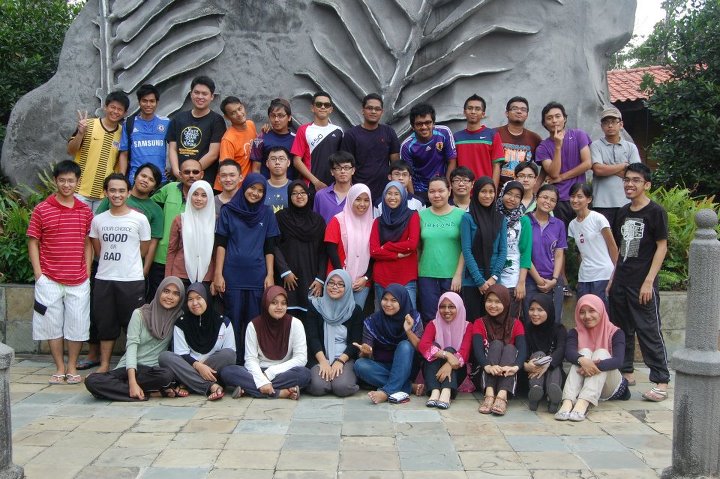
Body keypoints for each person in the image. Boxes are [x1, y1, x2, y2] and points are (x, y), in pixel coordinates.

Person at [27, 160, 93, 385]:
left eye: (71, 181)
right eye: (62, 180)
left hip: (78, 278)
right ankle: (59, 367)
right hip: (49, 277)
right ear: (55, 181)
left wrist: (87, 270)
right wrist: (39, 274)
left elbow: (88, 242)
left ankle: (72, 366)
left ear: (77, 182)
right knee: (51, 323)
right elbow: (33, 241)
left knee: (78, 324)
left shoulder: (85, 211)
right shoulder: (42, 209)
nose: (66, 185)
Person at [608, 163, 670, 402]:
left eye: (635, 180)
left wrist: (649, 281)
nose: (629, 184)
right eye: (626, 180)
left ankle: (661, 380)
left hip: (642, 282)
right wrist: (613, 278)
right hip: (621, 281)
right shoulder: (622, 212)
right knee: (621, 329)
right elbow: (621, 249)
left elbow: (662, 247)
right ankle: (626, 373)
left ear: (647, 185)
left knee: (648, 329)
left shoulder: (656, 212)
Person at [84, 277, 187, 401]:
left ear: (181, 298)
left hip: (152, 373)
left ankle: (117, 391)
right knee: (91, 381)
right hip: (128, 368)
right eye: (166, 291)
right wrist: (132, 382)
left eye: (176, 294)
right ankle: (148, 393)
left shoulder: (179, 318)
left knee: (167, 376)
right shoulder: (140, 314)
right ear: (159, 291)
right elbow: (131, 348)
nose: (170, 297)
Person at [214, 173, 280, 363]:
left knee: (254, 322)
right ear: (244, 188)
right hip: (232, 275)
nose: (255, 193)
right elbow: (221, 244)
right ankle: (233, 364)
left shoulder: (267, 212)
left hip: (257, 276)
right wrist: (218, 274)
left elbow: (269, 247)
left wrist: (270, 274)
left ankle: (251, 363)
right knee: (232, 320)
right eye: (252, 188)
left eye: (260, 191)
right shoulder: (228, 210)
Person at [89, 174, 151, 373]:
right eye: (113, 190)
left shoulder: (139, 219)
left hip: (131, 279)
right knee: (105, 323)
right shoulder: (98, 220)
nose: (117, 195)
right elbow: (98, 250)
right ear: (105, 193)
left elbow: (143, 249)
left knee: (133, 325)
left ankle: (131, 365)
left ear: (129, 192)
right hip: (104, 279)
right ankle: (105, 364)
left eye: (122, 190)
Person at [220, 286, 311, 399]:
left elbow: (301, 358)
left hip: (283, 371)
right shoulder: (253, 325)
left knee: (304, 374)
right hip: (258, 370)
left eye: (283, 303)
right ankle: (279, 393)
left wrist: (270, 373)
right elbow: (250, 359)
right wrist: (261, 378)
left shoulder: (296, 324)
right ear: (266, 303)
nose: (279, 307)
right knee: (227, 372)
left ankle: (249, 389)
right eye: (274, 303)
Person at [555, 294, 629, 422]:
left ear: (600, 311)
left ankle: (583, 403)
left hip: (609, 385)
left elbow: (618, 361)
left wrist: (590, 365)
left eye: (592, 311)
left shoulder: (616, 332)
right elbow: (569, 353)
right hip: (584, 382)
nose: (587, 316)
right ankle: (567, 401)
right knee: (583, 353)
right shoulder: (575, 332)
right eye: (582, 312)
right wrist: (583, 361)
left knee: (601, 352)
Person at [158, 283, 235, 400]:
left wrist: (202, 366)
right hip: (189, 364)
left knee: (229, 354)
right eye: (190, 299)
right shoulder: (181, 323)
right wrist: (198, 366)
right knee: (165, 357)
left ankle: (188, 383)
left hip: (213, 367)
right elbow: (181, 354)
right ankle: (211, 386)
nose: (195, 303)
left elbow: (230, 352)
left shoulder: (223, 322)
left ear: (207, 299)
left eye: (199, 298)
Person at [353, 284, 424, 404]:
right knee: (360, 365)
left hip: (407, 368)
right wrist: (365, 353)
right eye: (385, 299)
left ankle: (387, 392)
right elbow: (366, 351)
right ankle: (408, 387)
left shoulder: (413, 318)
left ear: (402, 301)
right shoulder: (373, 321)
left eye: (394, 300)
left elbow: (420, 349)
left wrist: (408, 331)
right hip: (382, 367)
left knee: (405, 346)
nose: (388, 304)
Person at [149, 159, 203, 299]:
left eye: (195, 172)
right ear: (180, 174)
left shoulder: (204, 196)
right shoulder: (170, 188)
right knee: (158, 298)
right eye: (187, 172)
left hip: (186, 262)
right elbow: (150, 205)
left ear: (201, 174)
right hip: (161, 256)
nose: (191, 175)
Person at [67, 91, 129, 213]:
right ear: (105, 107)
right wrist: (80, 133)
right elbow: (70, 151)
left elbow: (123, 159)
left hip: (104, 195)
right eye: (112, 107)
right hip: (79, 191)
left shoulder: (123, 133)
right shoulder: (88, 125)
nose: (115, 111)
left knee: (99, 226)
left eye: (119, 109)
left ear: (125, 113)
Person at [305, 269, 364, 397]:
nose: (335, 287)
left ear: (347, 287)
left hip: (344, 358)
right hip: (320, 357)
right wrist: (323, 362)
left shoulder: (355, 310)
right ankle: (328, 381)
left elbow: (355, 342)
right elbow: (312, 337)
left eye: (340, 284)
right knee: (318, 387)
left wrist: (340, 361)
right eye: (331, 283)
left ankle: (341, 379)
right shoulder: (315, 306)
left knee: (342, 387)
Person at [274, 180, 327, 319]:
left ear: (308, 195)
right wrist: (285, 271)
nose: (299, 196)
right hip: (287, 280)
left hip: (311, 280)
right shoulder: (281, 217)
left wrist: (320, 279)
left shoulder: (318, 221)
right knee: (287, 320)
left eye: (303, 192)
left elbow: (323, 251)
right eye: (294, 193)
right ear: (289, 196)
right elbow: (274, 246)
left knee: (310, 320)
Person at [535, 101, 592, 228]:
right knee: (561, 235)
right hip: (558, 200)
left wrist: (562, 177)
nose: (554, 121)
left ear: (564, 118)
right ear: (544, 123)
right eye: (549, 118)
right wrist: (557, 146)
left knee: (584, 235)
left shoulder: (578, 135)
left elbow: (587, 163)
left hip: (580, 197)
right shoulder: (543, 147)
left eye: (558, 116)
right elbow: (554, 173)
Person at [473, 284, 526, 416]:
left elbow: (523, 349)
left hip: (508, 374)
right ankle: (489, 394)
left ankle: (502, 395)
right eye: (489, 301)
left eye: (498, 302)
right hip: (484, 371)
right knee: (496, 344)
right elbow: (477, 350)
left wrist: (515, 367)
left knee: (510, 348)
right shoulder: (479, 323)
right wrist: (488, 366)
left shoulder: (516, 324)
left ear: (506, 303)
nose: (493, 305)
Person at [417, 176, 465, 323]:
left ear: (449, 191)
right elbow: (418, 247)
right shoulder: (421, 215)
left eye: (441, 191)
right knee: (430, 318)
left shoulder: (461, 215)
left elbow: (466, 248)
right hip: (426, 275)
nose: (436, 195)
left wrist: (458, 275)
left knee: (452, 318)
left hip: (452, 276)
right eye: (432, 191)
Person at [460, 177, 507, 321]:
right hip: (472, 280)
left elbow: (503, 251)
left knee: (493, 322)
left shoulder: (500, 219)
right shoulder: (467, 218)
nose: (488, 195)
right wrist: (479, 281)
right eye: (483, 191)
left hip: (493, 278)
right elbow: (467, 251)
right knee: (473, 322)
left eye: (491, 192)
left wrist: (493, 278)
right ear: (476, 193)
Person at [340, 93, 401, 201]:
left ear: (382, 112)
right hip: (359, 192)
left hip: (385, 193)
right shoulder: (351, 135)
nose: (373, 111)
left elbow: (395, 164)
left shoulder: (388, 132)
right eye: (369, 108)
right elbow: (345, 166)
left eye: (377, 109)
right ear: (363, 110)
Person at [167, 75, 226, 187]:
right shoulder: (178, 118)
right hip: (179, 179)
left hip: (204, 180)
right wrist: (177, 171)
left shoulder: (216, 120)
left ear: (212, 97)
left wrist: (192, 173)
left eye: (204, 94)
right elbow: (173, 148)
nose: (200, 96)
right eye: (196, 92)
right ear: (191, 94)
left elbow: (213, 153)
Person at [369, 181, 420, 310]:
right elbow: (374, 251)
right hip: (382, 277)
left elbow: (412, 244)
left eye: (397, 194)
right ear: (384, 196)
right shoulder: (378, 221)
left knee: (409, 316)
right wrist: (396, 255)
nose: (392, 197)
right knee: (382, 316)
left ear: (403, 196)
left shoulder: (412, 216)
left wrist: (387, 246)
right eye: (389, 193)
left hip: (406, 276)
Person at [418, 292, 472, 409]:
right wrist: (446, 355)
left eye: (451, 306)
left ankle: (446, 392)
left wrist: (449, 364)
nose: (446, 310)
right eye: (442, 307)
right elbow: (423, 345)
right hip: (433, 370)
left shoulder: (468, 326)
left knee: (450, 349)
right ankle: (435, 392)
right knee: (436, 346)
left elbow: (465, 352)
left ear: (459, 307)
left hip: (458, 371)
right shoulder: (433, 324)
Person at [590, 107, 642, 227]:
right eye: (606, 122)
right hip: (601, 203)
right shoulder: (595, 146)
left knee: (626, 237)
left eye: (613, 122)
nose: (610, 125)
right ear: (602, 126)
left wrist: (607, 167)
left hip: (627, 201)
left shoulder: (631, 147)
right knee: (604, 237)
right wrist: (624, 165)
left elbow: (635, 174)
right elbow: (598, 170)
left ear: (621, 124)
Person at [324, 184, 374, 309]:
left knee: (355, 316)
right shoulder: (337, 220)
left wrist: (366, 278)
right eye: (358, 199)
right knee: (336, 316)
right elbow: (331, 250)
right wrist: (343, 278)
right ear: (351, 199)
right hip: (338, 281)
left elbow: (374, 254)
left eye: (366, 200)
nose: (362, 204)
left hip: (361, 283)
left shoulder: (373, 224)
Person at [568, 183, 618, 304]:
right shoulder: (572, 225)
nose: (575, 200)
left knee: (601, 312)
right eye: (572, 196)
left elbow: (612, 246)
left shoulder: (598, 218)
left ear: (589, 199)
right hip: (584, 277)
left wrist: (615, 274)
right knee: (584, 311)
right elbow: (579, 252)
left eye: (580, 196)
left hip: (603, 275)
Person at [524, 184, 567, 324]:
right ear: (536, 198)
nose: (548, 202)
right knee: (531, 321)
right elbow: (524, 254)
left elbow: (559, 253)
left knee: (554, 321)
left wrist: (554, 279)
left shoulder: (559, 224)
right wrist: (539, 280)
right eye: (545, 197)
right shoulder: (524, 221)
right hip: (530, 280)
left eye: (552, 200)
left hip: (553, 280)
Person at [400, 103, 457, 204]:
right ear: (413, 126)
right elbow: (407, 174)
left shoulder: (444, 133)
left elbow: (452, 160)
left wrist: (447, 186)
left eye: (428, 122)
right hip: (420, 190)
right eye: (419, 124)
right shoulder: (407, 146)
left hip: (442, 186)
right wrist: (414, 200)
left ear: (433, 123)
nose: (424, 127)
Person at [165, 180, 216, 287]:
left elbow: (217, 252)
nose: (199, 198)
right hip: (180, 274)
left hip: (207, 276)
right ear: (189, 196)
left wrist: (216, 277)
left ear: (210, 198)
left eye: (204, 195)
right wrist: (168, 278)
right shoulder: (180, 220)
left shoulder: (215, 221)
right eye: (195, 194)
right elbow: (172, 250)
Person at [118, 84, 170, 185]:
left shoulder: (166, 123)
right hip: (135, 180)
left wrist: (172, 169)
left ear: (157, 102)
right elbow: (124, 154)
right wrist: (122, 179)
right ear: (139, 102)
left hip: (160, 181)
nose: (148, 104)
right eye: (144, 101)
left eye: (152, 101)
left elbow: (174, 148)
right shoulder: (129, 123)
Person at [291, 91, 343, 191]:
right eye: (319, 104)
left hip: (334, 186)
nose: (323, 107)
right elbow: (297, 161)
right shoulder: (303, 130)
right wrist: (316, 182)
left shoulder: (338, 131)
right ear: (312, 108)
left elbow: (342, 160)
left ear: (331, 109)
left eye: (326, 105)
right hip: (310, 186)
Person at [523, 294, 567, 412]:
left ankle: (552, 397)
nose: (535, 313)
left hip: (553, 369)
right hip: (532, 370)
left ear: (549, 310)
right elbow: (522, 351)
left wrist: (548, 363)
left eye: (540, 310)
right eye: (532, 309)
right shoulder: (526, 328)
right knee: (539, 354)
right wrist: (526, 365)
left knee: (553, 364)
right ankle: (535, 391)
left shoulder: (559, 329)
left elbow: (561, 349)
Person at [496, 181, 532, 318]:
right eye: (509, 194)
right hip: (492, 277)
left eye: (517, 196)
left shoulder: (523, 221)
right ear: (502, 194)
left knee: (510, 320)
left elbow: (525, 253)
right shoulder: (492, 216)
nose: (512, 199)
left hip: (513, 279)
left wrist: (521, 283)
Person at [452, 94, 505, 189]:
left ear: (483, 114)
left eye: (477, 109)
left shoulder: (492, 135)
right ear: (464, 112)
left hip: (484, 191)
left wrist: (493, 190)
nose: (473, 112)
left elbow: (496, 166)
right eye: (470, 108)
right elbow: (452, 165)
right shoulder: (456, 137)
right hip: (462, 190)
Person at [495, 96, 542, 187]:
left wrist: (536, 187)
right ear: (507, 113)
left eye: (523, 110)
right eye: (514, 108)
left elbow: (545, 165)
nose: (519, 111)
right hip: (497, 190)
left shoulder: (534, 138)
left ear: (527, 115)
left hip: (523, 190)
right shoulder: (494, 134)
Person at [250, 98, 297, 179]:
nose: (276, 120)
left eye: (280, 116)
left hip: (290, 185)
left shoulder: (296, 139)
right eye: (273, 116)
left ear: (289, 117)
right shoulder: (260, 139)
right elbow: (256, 169)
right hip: (266, 185)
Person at [216, 96, 257, 188]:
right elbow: (225, 169)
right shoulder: (228, 140)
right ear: (227, 117)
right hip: (232, 188)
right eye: (233, 113)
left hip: (248, 185)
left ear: (243, 106)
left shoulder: (251, 125)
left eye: (240, 108)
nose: (239, 114)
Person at [313, 151, 355, 223]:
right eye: (338, 168)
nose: (342, 171)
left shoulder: (358, 195)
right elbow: (315, 223)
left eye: (346, 167)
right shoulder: (321, 195)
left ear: (353, 170)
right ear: (332, 171)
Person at [264, 146, 292, 213]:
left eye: (281, 159)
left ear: (288, 163)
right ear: (267, 163)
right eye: (273, 159)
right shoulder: (261, 187)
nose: (277, 162)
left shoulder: (294, 187)